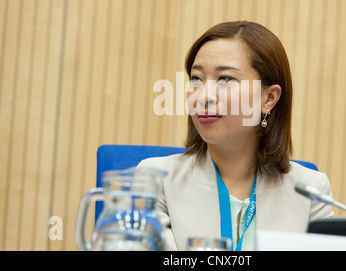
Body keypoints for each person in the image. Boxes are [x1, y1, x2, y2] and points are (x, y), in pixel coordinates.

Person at [138, 21, 333, 250]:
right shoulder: (155, 180)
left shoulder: (310, 191)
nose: (204, 96)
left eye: (226, 79)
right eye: (196, 79)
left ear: (269, 98)